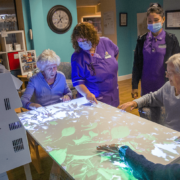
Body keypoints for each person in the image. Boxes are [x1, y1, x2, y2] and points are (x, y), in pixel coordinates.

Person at [120, 53, 180, 131]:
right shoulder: (168, 87)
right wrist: (135, 102)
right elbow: (152, 97)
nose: (166, 76)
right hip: (168, 132)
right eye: (166, 72)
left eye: (170, 73)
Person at [132, 3, 180, 98]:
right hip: (146, 89)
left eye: (156, 20)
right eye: (150, 21)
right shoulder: (142, 40)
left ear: (163, 20)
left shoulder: (171, 40)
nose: (153, 23)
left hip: (166, 90)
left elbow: (178, 66)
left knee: (164, 113)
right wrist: (134, 86)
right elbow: (137, 65)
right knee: (145, 112)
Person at [71, 22, 119, 107]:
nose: (82, 43)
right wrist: (87, 94)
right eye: (79, 41)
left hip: (113, 94)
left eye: (85, 40)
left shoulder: (106, 42)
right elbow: (77, 82)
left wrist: (110, 68)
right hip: (94, 99)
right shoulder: (77, 57)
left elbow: (116, 52)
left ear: (91, 37)